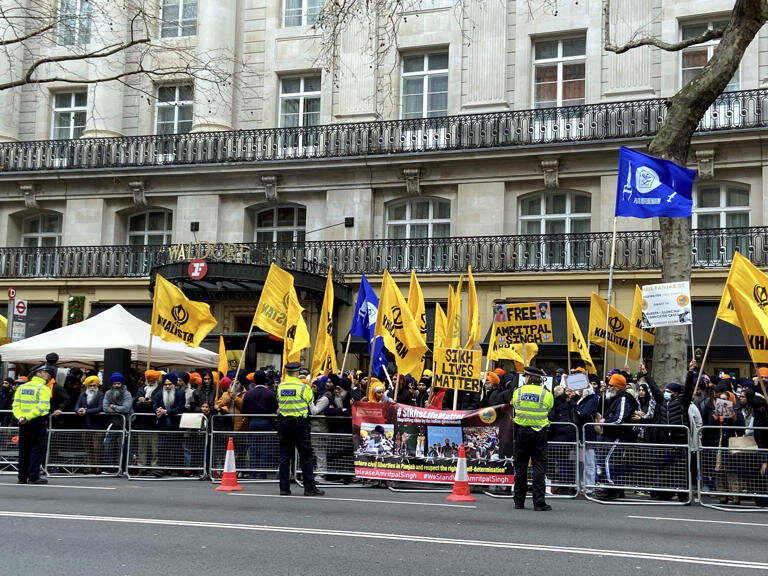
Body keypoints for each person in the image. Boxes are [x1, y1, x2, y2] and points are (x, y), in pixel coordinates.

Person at [276, 362, 324, 496]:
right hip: (300, 425)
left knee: (284, 457)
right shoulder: (304, 388)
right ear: (297, 372)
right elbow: (311, 405)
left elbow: (279, 403)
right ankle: (309, 488)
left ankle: (284, 488)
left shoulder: (280, 387)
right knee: (306, 457)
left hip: (284, 424)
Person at [511, 366, 554, 511]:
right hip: (539, 433)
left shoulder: (518, 392)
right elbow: (549, 409)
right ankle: (539, 502)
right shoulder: (545, 393)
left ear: (528, 377)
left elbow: (515, 407)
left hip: (522, 432)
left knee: (521, 467)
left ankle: (518, 501)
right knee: (539, 468)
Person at [595, 372, 638, 500]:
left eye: (610, 385)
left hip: (618, 435)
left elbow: (620, 418)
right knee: (611, 461)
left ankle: (611, 487)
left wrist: (605, 422)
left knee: (607, 460)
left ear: (617, 387)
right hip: (612, 435)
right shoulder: (616, 398)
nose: (608, 387)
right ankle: (616, 488)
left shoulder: (624, 398)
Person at [12, 363, 55, 484]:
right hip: (37, 421)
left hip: (23, 422)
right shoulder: (44, 389)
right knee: (37, 449)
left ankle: (22, 477)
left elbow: (15, 405)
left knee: (24, 449)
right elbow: (42, 407)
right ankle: (33, 476)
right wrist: (27, 417)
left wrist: (21, 417)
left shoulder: (22, 387)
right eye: (46, 373)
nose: (48, 375)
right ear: (38, 373)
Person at [240, 370, 277, 478]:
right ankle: (263, 473)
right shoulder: (271, 393)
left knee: (253, 447)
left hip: (253, 421)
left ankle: (253, 472)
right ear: (265, 380)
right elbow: (275, 409)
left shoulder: (249, 393)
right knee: (265, 448)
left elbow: (243, 409)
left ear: (254, 380)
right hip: (266, 421)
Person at [102, 372, 133, 473]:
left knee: (126, 446)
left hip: (127, 422)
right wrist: (118, 409)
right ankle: (110, 468)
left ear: (122, 384)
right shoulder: (108, 393)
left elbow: (127, 408)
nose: (116, 386)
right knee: (108, 445)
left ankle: (124, 468)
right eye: (114, 384)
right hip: (114, 423)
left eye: (118, 383)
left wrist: (114, 406)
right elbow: (105, 408)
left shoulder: (127, 393)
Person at [74, 375, 105, 474]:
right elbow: (76, 406)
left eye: (94, 385)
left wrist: (86, 411)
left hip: (97, 426)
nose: (92, 387)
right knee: (88, 447)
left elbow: (100, 408)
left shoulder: (100, 394)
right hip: (85, 425)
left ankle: (97, 467)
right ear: (87, 386)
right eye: (90, 385)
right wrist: (79, 410)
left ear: (97, 386)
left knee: (97, 448)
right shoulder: (83, 394)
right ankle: (90, 466)